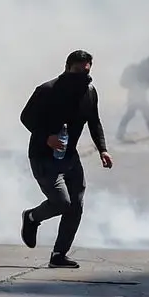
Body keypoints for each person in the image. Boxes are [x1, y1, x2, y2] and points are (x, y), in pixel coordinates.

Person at [20, 50, 113, 268]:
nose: (81, 75)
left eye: (86, 70)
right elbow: (26, 117)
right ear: (67, 67)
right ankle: (32, 217)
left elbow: (94, 121)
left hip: (69, 156)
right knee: (61, 202)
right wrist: (47, 137)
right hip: (43, 156)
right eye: (77, 70)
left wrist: (103, 149)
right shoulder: (47, 90)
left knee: (76, 205)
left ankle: (59, 255)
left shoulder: (89, 92)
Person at [116, 56, 149, 142]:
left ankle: (120, 132)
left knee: (135, 113)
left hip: (137, 94)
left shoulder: (142, 68)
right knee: (138, 113)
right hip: (136, 94)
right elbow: (146, 78)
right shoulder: (143, 69)